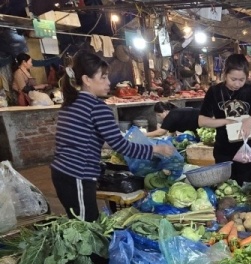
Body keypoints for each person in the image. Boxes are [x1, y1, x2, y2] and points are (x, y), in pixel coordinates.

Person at [51, 52, 173, 221]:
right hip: (77, 174)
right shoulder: (97, 107)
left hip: (62, 172)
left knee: (81, 222)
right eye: (103, 77)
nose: (109, 82)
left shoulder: (71, 102)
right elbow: (121, 146)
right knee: (86, 226)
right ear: (87, 80)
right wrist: (156, 149)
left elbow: (85, 138)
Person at [198, 54, 251, 185]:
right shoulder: (214, 91)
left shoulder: (250, 90)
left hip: (247, 150)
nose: (237, 84)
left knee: (249, 187)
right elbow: (202, 121)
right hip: (224, 151)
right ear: (225, 74)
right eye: (233, 79)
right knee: (226, 188)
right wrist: (226, 121)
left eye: (242, 80)